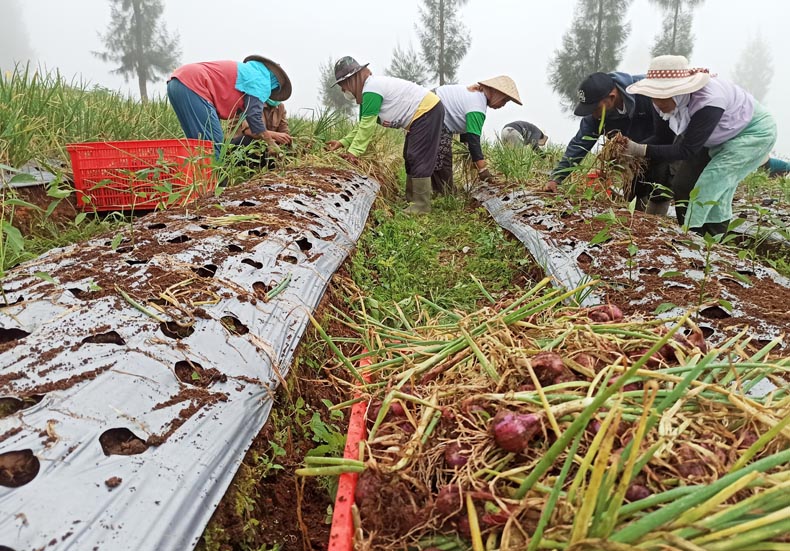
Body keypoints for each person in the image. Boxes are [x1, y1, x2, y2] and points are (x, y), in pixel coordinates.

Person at [623, 55, 777, 237]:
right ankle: (688, 234)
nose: (658, 103)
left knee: (710, 186)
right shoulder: (660, 102)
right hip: (709, 134)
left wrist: (639, 150)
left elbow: (686, 150)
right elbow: (662, 137)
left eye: (664, 96)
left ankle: (707, 242)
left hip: (751, 133)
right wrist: (628, 148)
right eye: (654, 96)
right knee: (682, 184)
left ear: (680, 90)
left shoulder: (708, 101)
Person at [326, 56, 445, 214]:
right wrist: (342, 142)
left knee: (417, 156)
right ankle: (412, 199)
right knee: (409, 156)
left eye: (343, 84)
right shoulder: (368, 92)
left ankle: (421, 205)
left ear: (353, 79)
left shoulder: (371, 89)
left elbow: (367, 127)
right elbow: (363, 125)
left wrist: (353, 153)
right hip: (420, 115)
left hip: (427, 111)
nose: (343, 90)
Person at [544, 72, 659, 199]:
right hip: (634, 157)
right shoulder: (595, 116)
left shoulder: (647, 92)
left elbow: (669, 134)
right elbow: (579, 145)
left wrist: (640, 148)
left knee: (662, 180)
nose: (592, 114)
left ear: (612, 97)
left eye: (595, 108)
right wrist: (556, 178)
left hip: (664, 145)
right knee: (634, 191)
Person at [167, 55, 292, 157]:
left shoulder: (251, 73)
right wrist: (270, 142)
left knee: (198, 144)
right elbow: (254, 118)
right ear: (274, 83)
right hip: (194, 84)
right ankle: (216, 186)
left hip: (177, 82)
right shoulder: (261, 81)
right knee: (214, 143)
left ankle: (197, 183)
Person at [433, 76, 523, 194]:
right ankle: (445, 196)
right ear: (496, 93)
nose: (503, 105)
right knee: (442, 157)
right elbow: (473, 140)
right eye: (504, 100)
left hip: (434, 109)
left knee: (434, 156)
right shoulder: (477, 106)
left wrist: (471, 158)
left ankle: (436, 192)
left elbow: (466, 136)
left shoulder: (476, 96)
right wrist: (483, 170)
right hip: (433, 110)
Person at [231, 98, 292, 168]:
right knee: (248, 141)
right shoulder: (253, 102)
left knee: (282, 148)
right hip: (238, 145)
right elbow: (249, 130)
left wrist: (284, 139)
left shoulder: (280, 107)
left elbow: (284, 130)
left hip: (264, 143)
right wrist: (274, 136)